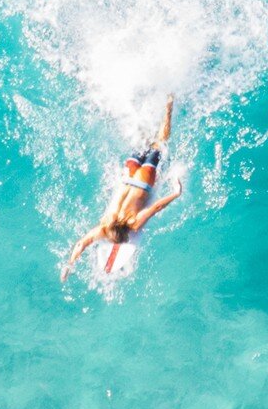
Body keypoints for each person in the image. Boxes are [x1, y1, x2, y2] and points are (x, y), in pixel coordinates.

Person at [60, 94, 182, 279]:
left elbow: (156, 207)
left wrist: (176, 193)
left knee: (159, 143)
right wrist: (68, 265)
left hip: (143, 179)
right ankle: (139, 107)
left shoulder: (132, 223)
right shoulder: (105, 224)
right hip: (130, 174)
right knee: (142, 141)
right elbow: (81, 244)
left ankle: (168, 107)